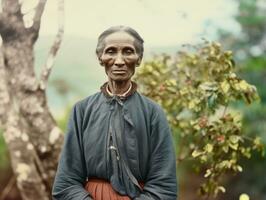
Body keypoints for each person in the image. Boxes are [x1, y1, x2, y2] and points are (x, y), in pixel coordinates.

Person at [52, 26, 177, 200]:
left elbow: (164, 187)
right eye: (111, 51)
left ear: (139, 58)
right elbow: (66, 183)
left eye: (128, 52)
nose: (119, 61)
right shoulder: (81, 111)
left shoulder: (153, 113)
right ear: (100, 58)